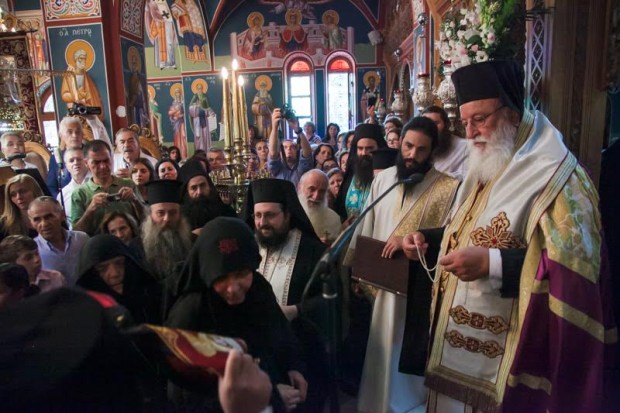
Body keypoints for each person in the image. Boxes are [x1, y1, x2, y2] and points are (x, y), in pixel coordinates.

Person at [402, 60, 615, 412]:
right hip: (455, 353)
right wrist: (428, 240)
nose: (470, 133)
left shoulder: (559, 180)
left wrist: (494, 264)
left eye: (480, 119)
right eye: (465, 122)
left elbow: (574, 276)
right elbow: (472, 230)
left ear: (513, 115)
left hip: (509, 362)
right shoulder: (491, 160)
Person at [345, 117, 460, 413]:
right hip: (380, 284)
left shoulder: (450, 188)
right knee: (380, 350)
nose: (411, 155)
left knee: (405, 361)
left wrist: (417, 239)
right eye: (408, 146)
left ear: (432, 152)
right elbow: (367, 226)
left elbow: (453, 236)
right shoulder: (383, 180)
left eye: (421, 150)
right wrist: (357, 270)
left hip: (417, 291)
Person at [167, 217, 307, 412]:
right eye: (221, 277)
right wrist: (270, 397)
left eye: (241, 274)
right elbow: (186, 392)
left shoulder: (258, 288)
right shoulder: (191, 311)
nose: (233, 288)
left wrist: (294, 366)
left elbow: (280, 332)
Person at [241, 179, 330, 411]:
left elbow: (331, 301)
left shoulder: (314, 251)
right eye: (258, 215)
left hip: (302, 351)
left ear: (288, 215)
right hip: (258, 354)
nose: (262, 223)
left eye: (270, 215)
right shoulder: (247, 247)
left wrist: (296, 310)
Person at [76, 234, 162, 325]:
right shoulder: (86, 315)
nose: (115, 274)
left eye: (119, 263)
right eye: (102, 269)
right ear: (91, 275)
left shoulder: (154, 297)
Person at [70, 140, 142, 235]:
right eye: (96, 162)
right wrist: (90, 210)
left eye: (106, 161)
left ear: (111, 159)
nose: (103, 166)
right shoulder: (80, 194)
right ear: (86, 163)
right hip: (98, 242)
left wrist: (135, 200)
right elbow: (76, 233)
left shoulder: (128, 184)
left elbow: (146, 219)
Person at [131, 179, 192, 287]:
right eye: (160, 213)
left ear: (180, 214)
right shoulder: (136, 247)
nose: (167, 219)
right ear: (150, 215)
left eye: (172, 213)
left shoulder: (193, 242)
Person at [28, 196, 89, 286]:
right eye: (37, 219)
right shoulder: (33, 252)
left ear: (62, 215)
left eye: (49, 217)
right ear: (31, 223)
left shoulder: (82, 239)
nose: (44, 224)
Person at [334, 123, 387, 222]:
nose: (364, 153)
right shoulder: (351, 175)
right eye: (360, 148)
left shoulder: (387, 176)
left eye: (369, 148)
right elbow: (340, 211)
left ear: (379, 148)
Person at [178, 159, 236, 234]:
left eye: (202, 185)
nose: (199, 192)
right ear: (187, 191)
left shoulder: (226, 212)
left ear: (209, 186)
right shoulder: (179, 218)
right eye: (194, 188)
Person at [0, 235, 66, 293]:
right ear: (12, 264)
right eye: (28, 258)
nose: (37, 260)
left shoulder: (56, 278)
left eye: (37, 253)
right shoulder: (5, 288)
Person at [267, 109, 313, 187]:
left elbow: (307, 153)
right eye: (285, 147)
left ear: (298, 151)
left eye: (292, 147)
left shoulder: (300, 166)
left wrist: (297, 129)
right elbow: (273, 153)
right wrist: (274, 128)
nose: (289, 149)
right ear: (280, 152)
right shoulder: (277, 167)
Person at [422, 105, 469, 179]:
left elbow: (467, 177)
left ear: (446, 124)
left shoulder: (464, 147)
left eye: (435, 123)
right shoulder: (418, 149)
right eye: (425, 124)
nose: (430, 128)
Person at [297, 169, 342, 244]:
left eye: (322, 191)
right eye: (312, 189)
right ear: (300, 187)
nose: (316, 196)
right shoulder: (288, 215)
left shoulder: (334, 219)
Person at [46, 116, 85, 198]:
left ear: (82, 135)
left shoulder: (90, 153)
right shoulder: (56, 158)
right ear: (61, 136)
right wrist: (60, 200)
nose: (74, 135)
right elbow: (52, 186)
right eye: (70, 132)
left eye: (78, 132)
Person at [60, 48, 104, 118]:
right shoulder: (69, 76)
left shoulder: (86, 76)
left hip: (86, 107)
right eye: (81, 58)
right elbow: (64, 95)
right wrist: (78, 95)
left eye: (84, 59)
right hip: (74, 108)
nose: (83, 61)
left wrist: (85, 96)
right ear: (76, 59)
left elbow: (91, 95)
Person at [0, 174, 43, 240]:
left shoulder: (51, 214)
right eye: (13, 194)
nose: (18, 197)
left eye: (23, 191)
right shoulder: (3, 225)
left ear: (35, 191)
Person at [57, 147, 90, 221]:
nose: (75, 163)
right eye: (71, 161)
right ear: (66, 166)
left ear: (86, 162)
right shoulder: (63, 194)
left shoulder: (97, 182)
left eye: (79, 159)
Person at [145, 0, 178, 69]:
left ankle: (171, 62)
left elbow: (169, 12)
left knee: (169, 44)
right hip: (158, 25)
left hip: (167, 25)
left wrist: (168, 17)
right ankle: (162, 63)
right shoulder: (152, 2)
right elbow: (153, 13)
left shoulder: (164, 2)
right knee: (160, 45)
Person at [189, 80, 216, 152]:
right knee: (199, 136)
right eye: (198, 88)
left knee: (205, 135)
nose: (200, 89)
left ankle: (207, 150)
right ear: (196, 89)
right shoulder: (195, 96)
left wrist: (211, 112)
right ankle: (199, 151)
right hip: (197, 120)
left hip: (205, 119)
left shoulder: (205, 96)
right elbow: (190, 107)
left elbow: (208, 107)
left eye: (201, 88)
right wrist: (196, 106)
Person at [168, 84, 189, 159]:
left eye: (179, 93)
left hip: (182, 122)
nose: (178, 94)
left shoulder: (183, 103)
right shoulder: (173, 103)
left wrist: (181, 115)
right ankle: (178, 153)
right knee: (177, 137)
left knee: (183, 136)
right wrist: (175, 114)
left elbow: (186, 112)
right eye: (176, 93)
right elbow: (170, 112)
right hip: (176, 123)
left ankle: (184, 154)